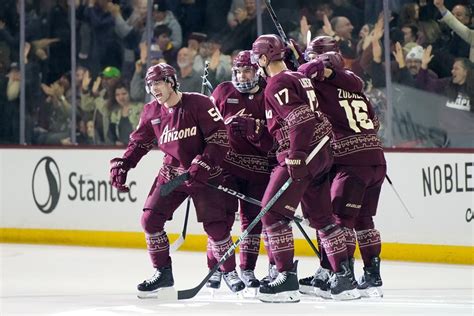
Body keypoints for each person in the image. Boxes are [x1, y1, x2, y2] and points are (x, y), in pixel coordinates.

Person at [109, 63, 245, 298]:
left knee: (216, 227)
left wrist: (204, 162)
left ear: (171, 82)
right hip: (172, 175)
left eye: (159, 82)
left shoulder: (199, 103)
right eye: (150, 84)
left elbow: (220, 138)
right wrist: (125, 164)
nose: (154, 88)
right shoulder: (152, 111)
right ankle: (162, 273)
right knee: (150, 220)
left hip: (204, 175)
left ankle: (229, 272)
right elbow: (139, 143)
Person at [243, 34, 359, 303]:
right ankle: (343, 277)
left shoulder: (277, 83)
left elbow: (301, 119)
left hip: (302, 154)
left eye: (256, 58)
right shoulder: (298, 77)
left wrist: (295, 155)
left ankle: (285, 279)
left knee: (271, 214)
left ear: (263, 58)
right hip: (320, 154)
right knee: (322, 219)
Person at [297, 36, 386, 298]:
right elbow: (375, 122)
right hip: (376, 158)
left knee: (339, 220)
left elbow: (300, 77)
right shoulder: (355, 85)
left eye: (310, 55)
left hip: (350, 163)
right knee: (364, 219)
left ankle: (340, 275)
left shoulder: (320, 84)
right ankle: (372, 277)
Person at [209, 50, 274, 292]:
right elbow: (209, 127)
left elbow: (277, 131)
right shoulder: (223, 91)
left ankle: (247, 269)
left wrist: (256, 130)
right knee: (221, 219)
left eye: (247, 70)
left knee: (253, 222)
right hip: (226, 166)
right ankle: (215, 268)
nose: (242, 75)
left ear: (257, 70)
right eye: (238, 70)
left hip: (259, 169)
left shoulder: (269, 92)